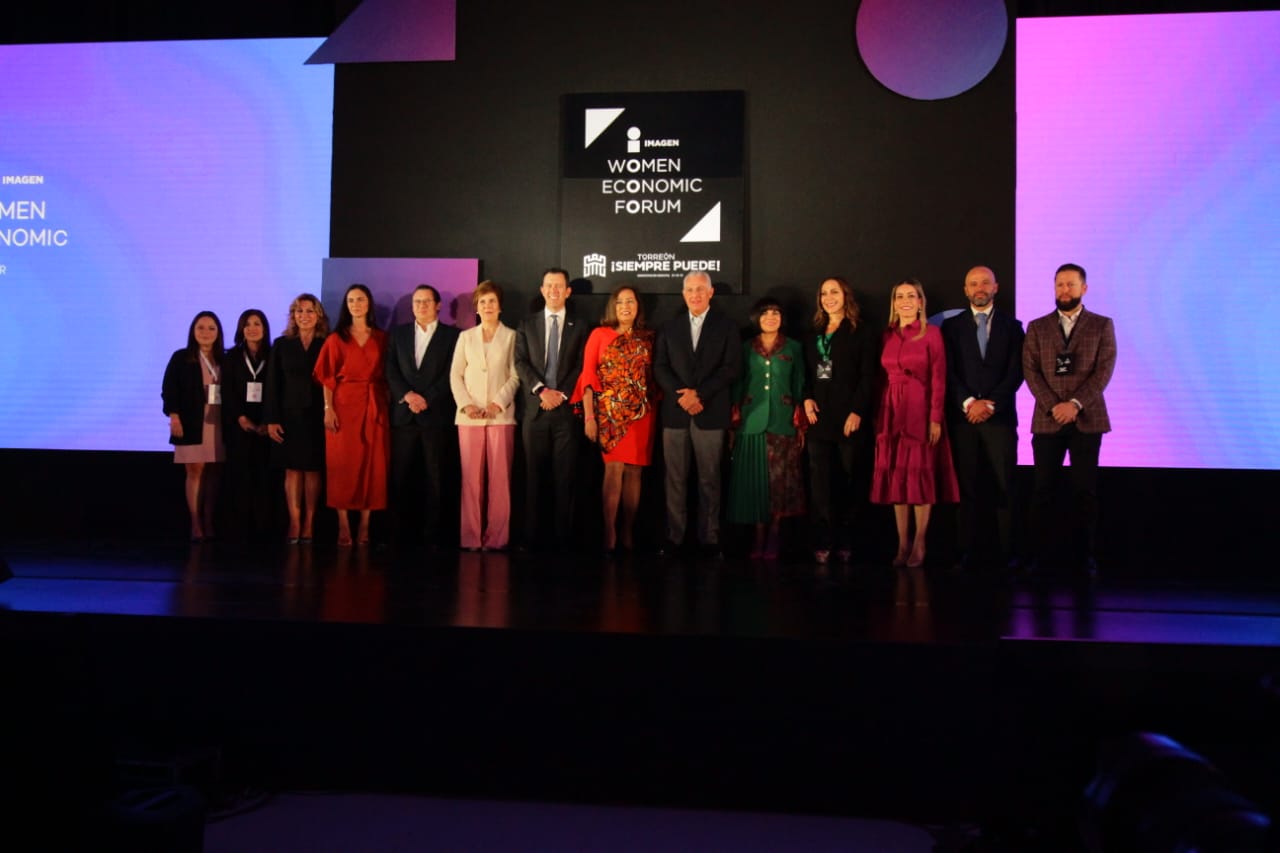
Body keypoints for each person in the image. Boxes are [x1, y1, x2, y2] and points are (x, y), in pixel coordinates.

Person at [1022, 263, 1116, 574]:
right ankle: (1039, 558)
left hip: (1087, 419)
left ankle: (1084, 557)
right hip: (1047, 419)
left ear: (1083, 288)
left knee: (1084, 491)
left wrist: (1075, 404)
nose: (1064, 290)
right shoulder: (1037, 327)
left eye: (1071, 284)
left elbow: (1104, 371)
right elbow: (1031, 371)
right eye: (1060, 284)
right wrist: (1054, 406)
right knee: (1042, 490)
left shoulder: (1102, 325)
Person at [654, 270, 743, 559]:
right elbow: (660, 367)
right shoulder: (669, 327)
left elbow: (731, 368)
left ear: (710, 292)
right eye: (690, 290)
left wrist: (699, 394)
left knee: (710, 479)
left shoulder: (727, 326)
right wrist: (683, 396)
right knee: (675, 479)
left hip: (710, 412)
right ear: (683, 294)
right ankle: (674, 537)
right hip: (676, 414)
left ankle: (710, 538)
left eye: (700, 289)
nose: (695, 294)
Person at [941, 266, 1025, 571]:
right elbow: (948, 371)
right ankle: (964, 551)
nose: (980, 288)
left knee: (1005, 486)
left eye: (985, 283)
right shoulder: (950, 327)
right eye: (973, 283)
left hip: (999, 419)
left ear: (996, 287)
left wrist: (990, 404)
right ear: (965, 290)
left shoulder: (1013, 327)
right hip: (963, 420)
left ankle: (1007, 553)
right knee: (966, 488)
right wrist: (968, 403)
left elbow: (1017, 372)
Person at [871, 279, 959, 568]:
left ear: (921, 302)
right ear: (893, 303)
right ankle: (902, 543)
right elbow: (879, 379)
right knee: (897, 477)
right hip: (891, 411)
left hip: (920, 409)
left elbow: (939, 378)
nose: (905, 301)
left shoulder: (932, 333)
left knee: (920, 476)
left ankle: (920, 542)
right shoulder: (886, 335)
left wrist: (935, 418)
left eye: (911, 296)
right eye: (900, 296)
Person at [571, 284, 657, 555]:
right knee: (613, 470)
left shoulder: (648, 337)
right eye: (620, 302)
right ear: (613, 307)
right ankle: (609, 530)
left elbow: (655, 377)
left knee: (634, 472)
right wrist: (589, 417)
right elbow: (588, 376)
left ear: (638, 306)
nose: (625, 307)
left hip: (641, 414)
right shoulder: (599, 334)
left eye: (630, 301)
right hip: (608, 415)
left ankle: (628, 530)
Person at [802, 277, 880, 565]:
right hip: (819, 417)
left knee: (850, 479)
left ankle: (848, 539)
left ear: (846, 296)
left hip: (850, 418)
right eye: (824, 293)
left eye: (834, 292)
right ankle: (823, 539)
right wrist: (806, 398)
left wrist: (858, 411)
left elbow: (868, 376)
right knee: (820, 484)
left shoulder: (862, 332)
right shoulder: (813, 333)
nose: (828, 297)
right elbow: (806, 373)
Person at [727, 297, 806, 559]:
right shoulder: (745, 347)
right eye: (765, 313)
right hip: (752, 422)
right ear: (756, 318)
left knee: (780, 483)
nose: (771, 317)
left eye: (776, 313)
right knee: (756, 483)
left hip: (783, 422)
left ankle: (774, 534)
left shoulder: (794, 347)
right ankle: (758, 535)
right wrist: (734, 420)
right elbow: (738, 384)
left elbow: (800, 383)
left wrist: (800, 423)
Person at [514, 268, 588, 551]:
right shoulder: (527, 323)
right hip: (535, 410)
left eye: (559, 286)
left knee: (565, 478)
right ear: (542, 290)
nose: (554, 290)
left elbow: (581, 365)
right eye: (549, 286)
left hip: (565, 412)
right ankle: (532, 538)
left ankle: (562, 540)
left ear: (568, 291)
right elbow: (520, 362)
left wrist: (561, 394)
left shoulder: (580, 325)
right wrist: (542, 391)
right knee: (533, 477)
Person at [313, 283, 390, 546]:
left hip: (374, 405)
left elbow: (389, 375)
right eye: (351, 300)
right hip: (343, 407)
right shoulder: (336, 339)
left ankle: (366, 525)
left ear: (369, 303)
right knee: (342, 465)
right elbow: (327, 378)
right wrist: (328, 408)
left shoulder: (382, 338)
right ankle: (343, 525)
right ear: (346, 306)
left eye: (361, 299)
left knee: (372, 465)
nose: (356, 304)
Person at [385, 284, 461, 548]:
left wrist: (427, 398)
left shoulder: (453, 336)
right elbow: (390, 369)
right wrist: (408, 395)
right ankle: (398, 535)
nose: (421, 306)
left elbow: (452, 373)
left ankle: (434, 536)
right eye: (417, 302)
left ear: (438, 305)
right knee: (400, 476)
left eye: (427, 301)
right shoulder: (398, 334)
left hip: (436, 416)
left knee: (436, 477)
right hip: (404, 417)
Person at [450, 281, 520, 551]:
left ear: (500, 306)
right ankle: (471, 537)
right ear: (476, 308)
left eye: (492, 301)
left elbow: (515, 376)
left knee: (500, 480)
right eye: (482, 302)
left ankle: (497, 539)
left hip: (501, 417)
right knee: (470, 480)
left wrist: (497, 403)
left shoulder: (512, 337)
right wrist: (467, 405)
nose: (487, 306)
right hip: (469, 418)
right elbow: (455, 375)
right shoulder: (465, 337)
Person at [265, 293, 328, 544]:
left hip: (318, 416)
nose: (304, 315)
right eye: (299, 311)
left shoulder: (327, 343)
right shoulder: (282, 344)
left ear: (318, 315)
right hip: (288, 416)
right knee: (292, 470)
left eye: (310, 311)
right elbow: (272, 383)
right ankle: (294, 521)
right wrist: (271, 419)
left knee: (312, 470)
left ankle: (309, 522)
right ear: (293, 315)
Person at [162, 310, 226, 543]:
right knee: (195, 471)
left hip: (218, 423)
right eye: (200, 327)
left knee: (214, 473)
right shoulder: (181, 357)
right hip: (190, 422)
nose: (206, 332)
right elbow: (169, 389)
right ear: (192, 331)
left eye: (211, 328)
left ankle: (209, 519)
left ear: (218, 332)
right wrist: (174, 417)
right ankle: (196, 523)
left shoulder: (224, 359)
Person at [221, 308, 276, 542]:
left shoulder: (273, 355)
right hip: (239, 426)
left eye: (257, 324)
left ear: (265, 328)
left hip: (266, 427)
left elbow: (277, 390)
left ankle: (264, 529)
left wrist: (267, 421)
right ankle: (239, 529)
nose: (252, 328)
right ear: (241, 329)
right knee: (240, 478)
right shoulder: (231, 357)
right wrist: (240, 417)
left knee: (265, 479)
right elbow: (227, 391)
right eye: (247, 324)